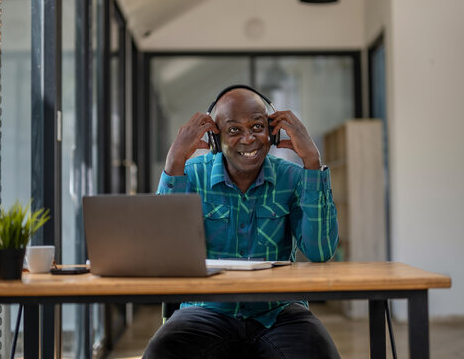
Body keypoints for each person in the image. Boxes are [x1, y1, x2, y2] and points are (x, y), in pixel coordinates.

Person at [144, 85, 340, 359]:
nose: (248, 138)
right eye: (234, 130)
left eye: (257, 126)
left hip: (278, 313)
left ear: (272, 133)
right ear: (215, 138)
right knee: (162, 352)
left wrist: (312, 161)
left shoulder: (294, 178)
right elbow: (161, 252)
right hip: (205, 311)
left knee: (317, 351)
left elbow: (320, 251)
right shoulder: (189, 176)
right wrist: (174, 160)